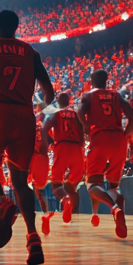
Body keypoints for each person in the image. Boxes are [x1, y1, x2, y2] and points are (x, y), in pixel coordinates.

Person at [0, 10, 55, 265]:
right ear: (17, 27)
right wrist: (40, 105)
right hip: (23, 116)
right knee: (20, 181)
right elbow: (49, 93)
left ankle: (1, 204)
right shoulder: (31, 53)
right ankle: (33, 238)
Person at [77, 69, 133, 239]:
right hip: (119, 139)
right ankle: (121, 219)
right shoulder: (116, 95)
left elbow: (79, 113)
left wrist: (86, 128)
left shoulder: (88, 96)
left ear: (92, 81)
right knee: (113, 187)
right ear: (106, 81)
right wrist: (126, 134)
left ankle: (114, 209)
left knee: (92, 185)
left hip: (100, 137)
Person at [43, 91, 84, 223]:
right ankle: (75, 215)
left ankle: (64, 200)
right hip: (77, 148)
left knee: (56, 185)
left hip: (62, 147)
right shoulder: (77, 113)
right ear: (69, 101)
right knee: (73, 187)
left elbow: (45, 128)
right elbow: (84, 129)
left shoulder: (55, 113)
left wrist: (51, 138)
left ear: (59, 102)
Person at [28, 105, 54, 235]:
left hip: (31, 157)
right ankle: (45, 213)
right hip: (43, 159)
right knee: (40, 188)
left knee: (23, 186)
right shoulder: (45, 128)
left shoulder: (29, 126)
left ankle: (29, 217)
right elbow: (52, 140)